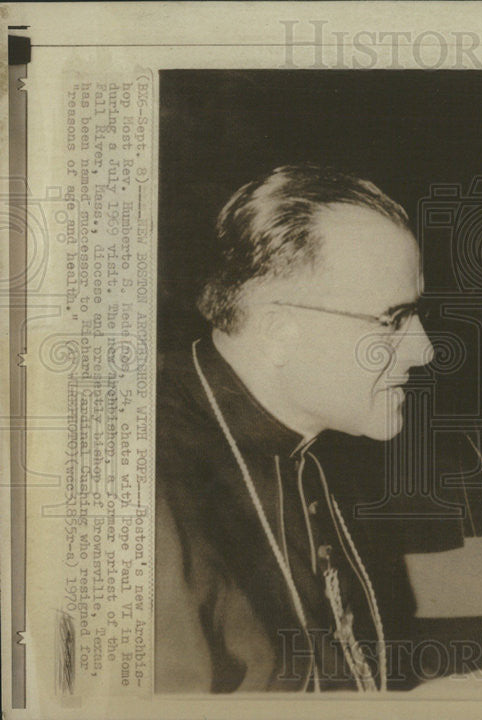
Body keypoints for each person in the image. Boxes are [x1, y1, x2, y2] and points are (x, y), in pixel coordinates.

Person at [155, 165, 434, 692]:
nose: (424, 349)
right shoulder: (143, 483)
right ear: (278, 330)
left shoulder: (323, 449)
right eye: (394, 318)